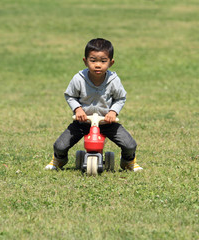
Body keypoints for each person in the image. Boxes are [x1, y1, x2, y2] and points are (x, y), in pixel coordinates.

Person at [45, 38, 143, 172]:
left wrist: (113, 112)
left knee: (130, 144)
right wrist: (77, 109)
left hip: (106, 122)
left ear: (111, 63)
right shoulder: (79, 79)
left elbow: (120, 98)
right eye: (93, 60)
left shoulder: (113, 80)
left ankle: (128, 161)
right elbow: (70, 95)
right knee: (60, 145)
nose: (98, 65)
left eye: (103, 61)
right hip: (83, 122)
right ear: (85, 61)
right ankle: (59, 159)